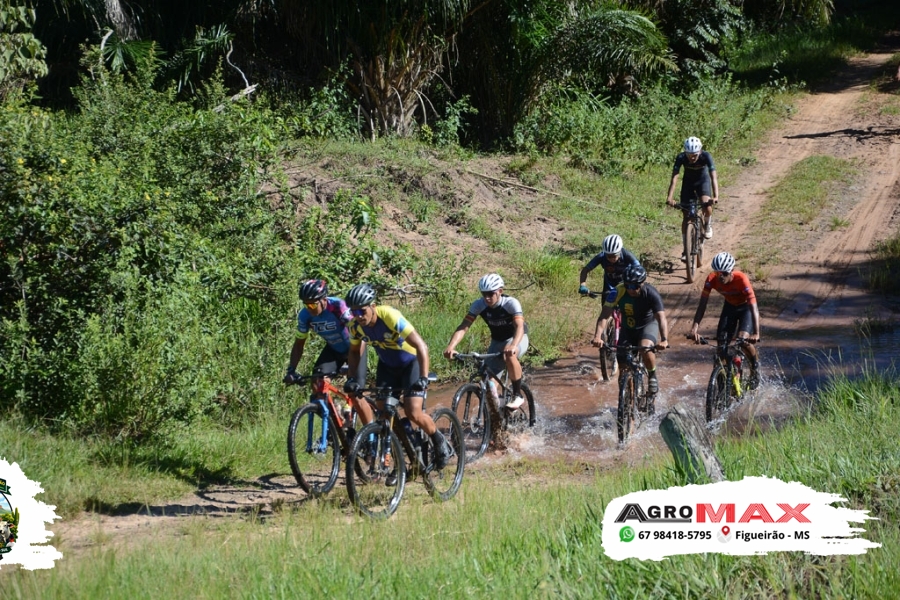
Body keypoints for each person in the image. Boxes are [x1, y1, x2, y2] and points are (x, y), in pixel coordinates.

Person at [342, 283, 452, 470]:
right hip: (387, 366)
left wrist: (423, 379)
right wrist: (352, 379)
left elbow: (421, 346)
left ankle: (438, 439)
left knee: (413, 411)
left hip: (411, 363)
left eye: (362, 310)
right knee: (384, 413)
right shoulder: (355, 327)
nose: (359, 316)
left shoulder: (390, 316)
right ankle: (405, 449)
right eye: (354, 312)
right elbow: (353, 353)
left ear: (373, 306)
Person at [443, 273, 529, 410]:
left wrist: (513, 345)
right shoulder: (479, 305)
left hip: (517, 338)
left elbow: (519, 327)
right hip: (497, 341)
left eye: (491, 294)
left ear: (500, 291)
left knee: (509, 355)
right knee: (488, 385)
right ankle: (498, 412)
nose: (487, 298)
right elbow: (464, 326)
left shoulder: (511, 303)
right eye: (484, 294)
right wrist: (451, 346)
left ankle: (517, 394)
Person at [591, 264, 669, 407]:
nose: (631, 290)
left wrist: (664, 339)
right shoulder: (618, 291)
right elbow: (604, 316)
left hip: (647, 326)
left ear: (642, 283)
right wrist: (597, 336)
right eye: (628, 286)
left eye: (634, 286)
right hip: (628, 329)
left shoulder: (651, 293)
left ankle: (652, 375)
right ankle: (627, 400)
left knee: (645, 348)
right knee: (623, 365)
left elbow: (661, 318)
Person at [688, 252, 761, 388]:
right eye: (718, 273)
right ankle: (721, 384)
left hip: (746, 309)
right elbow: (702, 305)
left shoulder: (741, 279)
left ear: (731, 271)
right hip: (730, 308)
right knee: (721, 346)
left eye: (724, 274)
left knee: (743, 340)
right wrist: (694, 328)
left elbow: (753, 307)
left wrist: (756, 333)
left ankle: (754, 367)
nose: (721, 277)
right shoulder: (711, 280)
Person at [579, 234, 640, 374]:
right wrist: (583, 285)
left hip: (625, 288)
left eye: (614, 256)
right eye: (608, 256)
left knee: (630, 315)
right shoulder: (601, 257)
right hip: (609, 290)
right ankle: (605, 338)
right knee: (605, 315)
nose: (611, 259)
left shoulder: (628, 256)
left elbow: (639, 271)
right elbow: (585, 270)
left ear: (619, 252)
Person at [666, 136, 719, 245]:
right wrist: (669, 197)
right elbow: (674, 178)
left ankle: (707, 225)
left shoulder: (706, 156)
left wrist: (715, 196)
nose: (692, 158)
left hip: (703, 182)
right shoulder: (681, 157)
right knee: (686, 216)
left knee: (707, 208)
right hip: (688, 183)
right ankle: (686, 246)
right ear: (685, 152)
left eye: (695, 155)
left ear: (699, 151)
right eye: (689, 155)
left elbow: (713, 177)